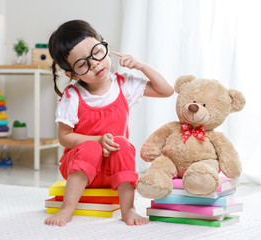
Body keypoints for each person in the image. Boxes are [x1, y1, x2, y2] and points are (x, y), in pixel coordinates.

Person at [44, 19, 174, 227]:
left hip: (113, 171)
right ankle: (67, 209)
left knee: (122, 143)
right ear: (71, 74)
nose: (94, 64)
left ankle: (128, 210)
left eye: (96, 53)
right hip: (80, 168)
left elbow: (166, 91)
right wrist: (96, 140)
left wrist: (141, 65)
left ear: (104, 44)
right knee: (89, 148)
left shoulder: (124, 85)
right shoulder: (73, 96)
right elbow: (64, 137)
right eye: (82, 64)